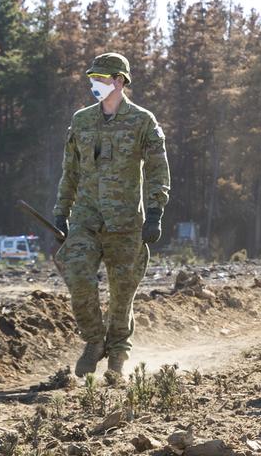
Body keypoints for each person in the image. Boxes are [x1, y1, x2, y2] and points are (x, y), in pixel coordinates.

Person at [53, 52, 170, 380]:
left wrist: (156, 212)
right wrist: (61, 211)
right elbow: (70, 171)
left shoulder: (142, 121)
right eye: (93, 79)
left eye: (102, 79)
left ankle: (117, 354)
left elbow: (159, 168)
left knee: (122, 293)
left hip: (126, 224)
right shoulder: (81, 121)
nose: (95, 85)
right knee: (77, 274)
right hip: (86, 218)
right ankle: (94, 341)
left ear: (120, 81)